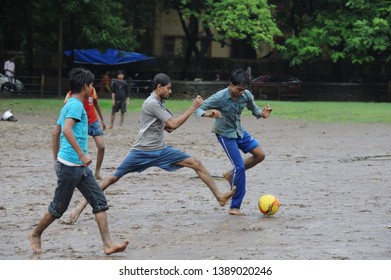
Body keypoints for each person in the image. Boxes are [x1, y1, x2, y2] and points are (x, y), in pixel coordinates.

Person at [67, 72, 236, 224]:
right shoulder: (152, 102)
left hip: (161, 150)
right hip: (141, 151)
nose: (170, 91)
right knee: (112, 178)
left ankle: (220, 197)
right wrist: (192, 108)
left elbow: (165, 125)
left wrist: (205, 114)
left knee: (196, 163)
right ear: (159, 87)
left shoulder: (159, 102)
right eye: (168, 88)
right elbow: (173, 124)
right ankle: (78, 208)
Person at [28, 68, 128, 255]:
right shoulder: (75, 106)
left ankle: (108, 244)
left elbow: (55, 132)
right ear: (85, 86)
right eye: (91, 85)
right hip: (72, 166)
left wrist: (56, 159)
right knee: (58, 208)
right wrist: (81, 155)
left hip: (79, 167)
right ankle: (35, 234)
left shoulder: (68, 104)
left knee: (99, 200)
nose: (92, 88)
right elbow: (66, 130)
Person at [194, 69, 273, 215]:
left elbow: (253, 108)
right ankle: (235, 206)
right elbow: (198, 109)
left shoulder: (246, 95)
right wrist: (209, 114)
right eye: (239, 89)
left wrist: (262, 113)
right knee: (240, 168)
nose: (241, 92)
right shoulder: (220, 97)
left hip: (239, 131)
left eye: (244, 89)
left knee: (260, 155)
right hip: (225, 135)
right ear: (231, 85)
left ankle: (230, 175)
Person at [64, 86, 106, 180]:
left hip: (93, 122)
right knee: (79, 148)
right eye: (90, 83)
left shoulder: (92, 90)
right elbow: (65, 109)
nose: (91, 86)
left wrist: (102, 119)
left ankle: (97, 172)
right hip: (80, 123)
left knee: (101, 146)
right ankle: (79, 171)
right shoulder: (71, 94)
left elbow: (96, 104)